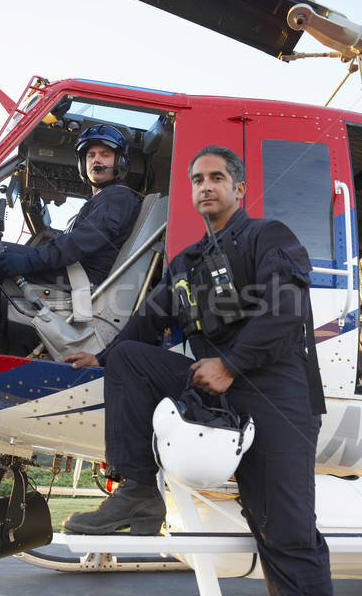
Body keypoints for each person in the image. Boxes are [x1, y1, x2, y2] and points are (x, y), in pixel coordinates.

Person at [62, 145, 333, 595]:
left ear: (239, 189)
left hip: (277, 397)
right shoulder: (186, 263)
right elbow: (146, 321)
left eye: (216, 178)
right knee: (130, 359)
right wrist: (103, 358)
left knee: (284, 533)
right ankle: (137, 491)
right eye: (197, 180)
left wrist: (232, 363)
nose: (205, 186)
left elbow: (286, 311)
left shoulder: (269, 236)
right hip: (215, 389)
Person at [0, 124, 141, 339]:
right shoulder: (102, 199)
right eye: (91, 155)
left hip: (83, 280)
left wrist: (29, 261)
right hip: (77, 275)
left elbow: (83, 241)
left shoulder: (116, 196)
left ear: (120, 163)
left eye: (105, 155)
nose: (96, 160)